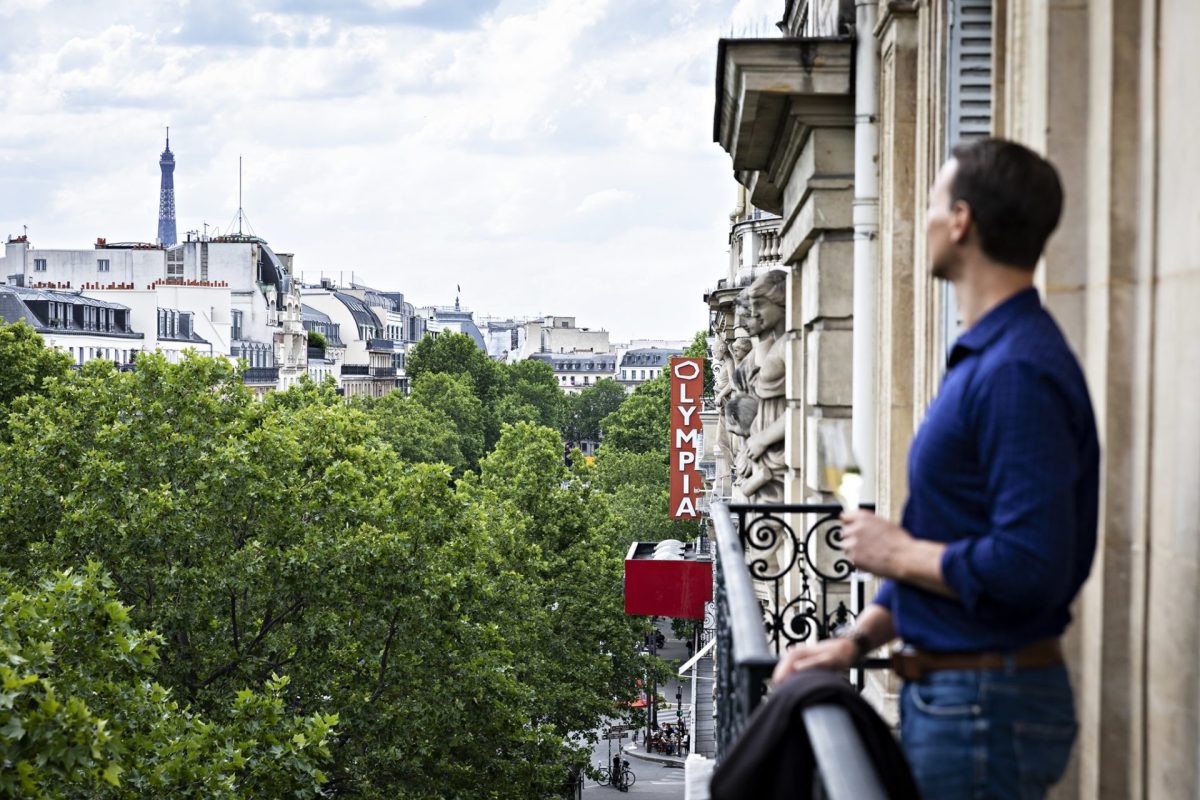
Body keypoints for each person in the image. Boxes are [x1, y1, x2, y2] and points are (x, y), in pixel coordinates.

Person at [772, 138, 1099, 800]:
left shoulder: (1015, 371)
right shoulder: (991, 358)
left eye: (930, 203)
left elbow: (1030, 565)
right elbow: (949, 538)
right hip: (966, 698)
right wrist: (855, 641)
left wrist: (897, 551)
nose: (919, 219)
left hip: (982, 707)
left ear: (961, 222)